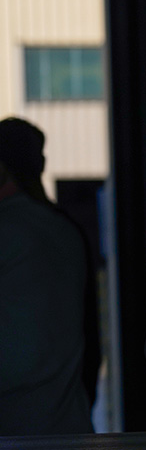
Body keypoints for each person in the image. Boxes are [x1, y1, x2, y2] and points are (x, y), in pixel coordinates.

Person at [0, 118, 94, 435]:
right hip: (69, 427)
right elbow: (90, 339)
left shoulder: (8, 230)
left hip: (14, 429)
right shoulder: (66, 231)